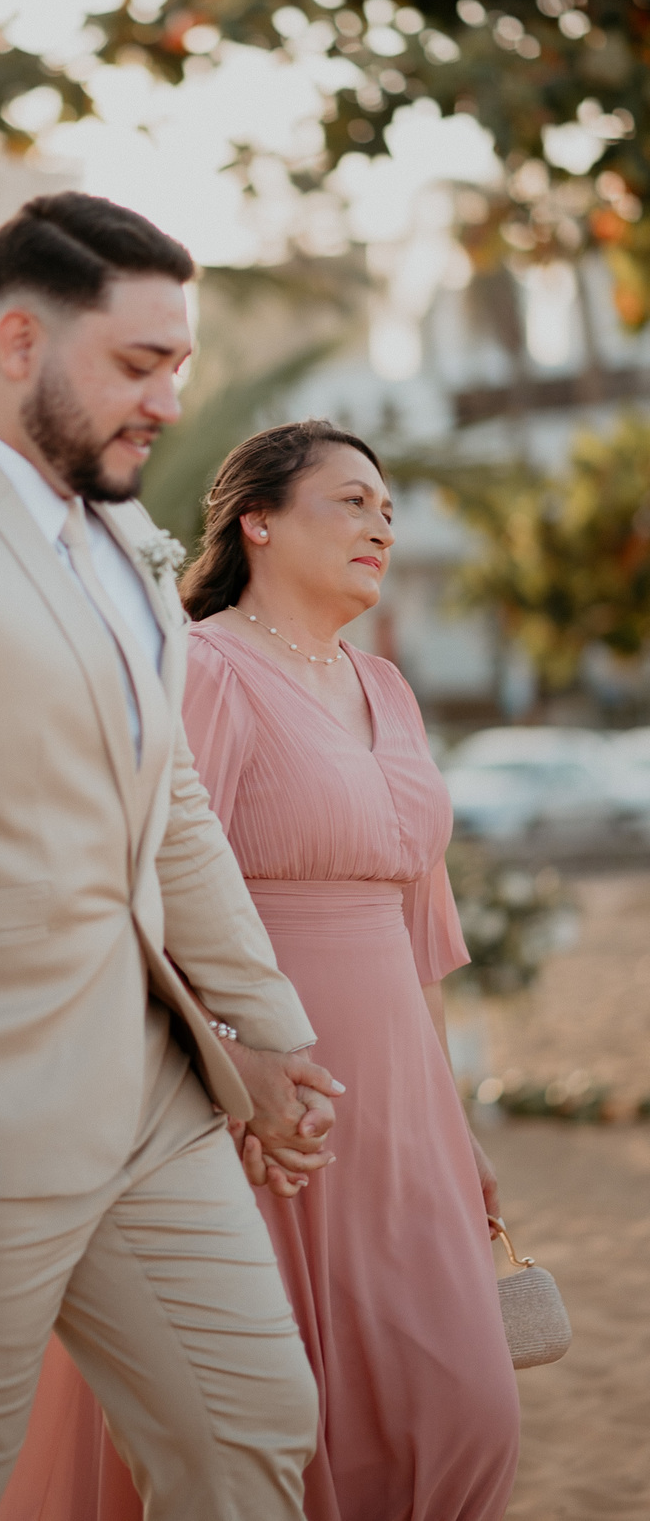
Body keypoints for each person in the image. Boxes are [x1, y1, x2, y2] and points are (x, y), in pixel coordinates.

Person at [0, 192, 344, 1521]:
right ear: (18, 340)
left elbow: (171, 811)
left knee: (252, 1428)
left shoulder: (117, 543)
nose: (169, 398)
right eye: (138, 362)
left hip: (149, 1100)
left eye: (181, 364)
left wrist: (266, 1032)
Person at [179, 421, 520, 1521]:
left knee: (467, 1408)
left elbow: (420, 926)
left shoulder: (390, 687)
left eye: (388, 506)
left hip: (406, 1100)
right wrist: (233, 1067)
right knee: (297, 1425)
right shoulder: (203, 669)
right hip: (264, 1096)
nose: (381, 521)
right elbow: (157, 903)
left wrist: (452, 1114)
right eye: (352, 500)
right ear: (258, 520)